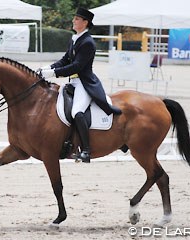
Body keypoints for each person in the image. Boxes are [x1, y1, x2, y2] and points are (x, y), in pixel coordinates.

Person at [40, 7, 122, 163]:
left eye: (77, 19)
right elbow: (65, 60)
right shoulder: (75, 38)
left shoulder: (88, 42)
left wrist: (54, 73)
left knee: (77, 111)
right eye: (74, 18)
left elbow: (76, 66)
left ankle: (86, 150)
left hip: (84, 83)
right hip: (73, 82)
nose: (73, 21)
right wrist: (48, 68)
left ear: (85, 22)